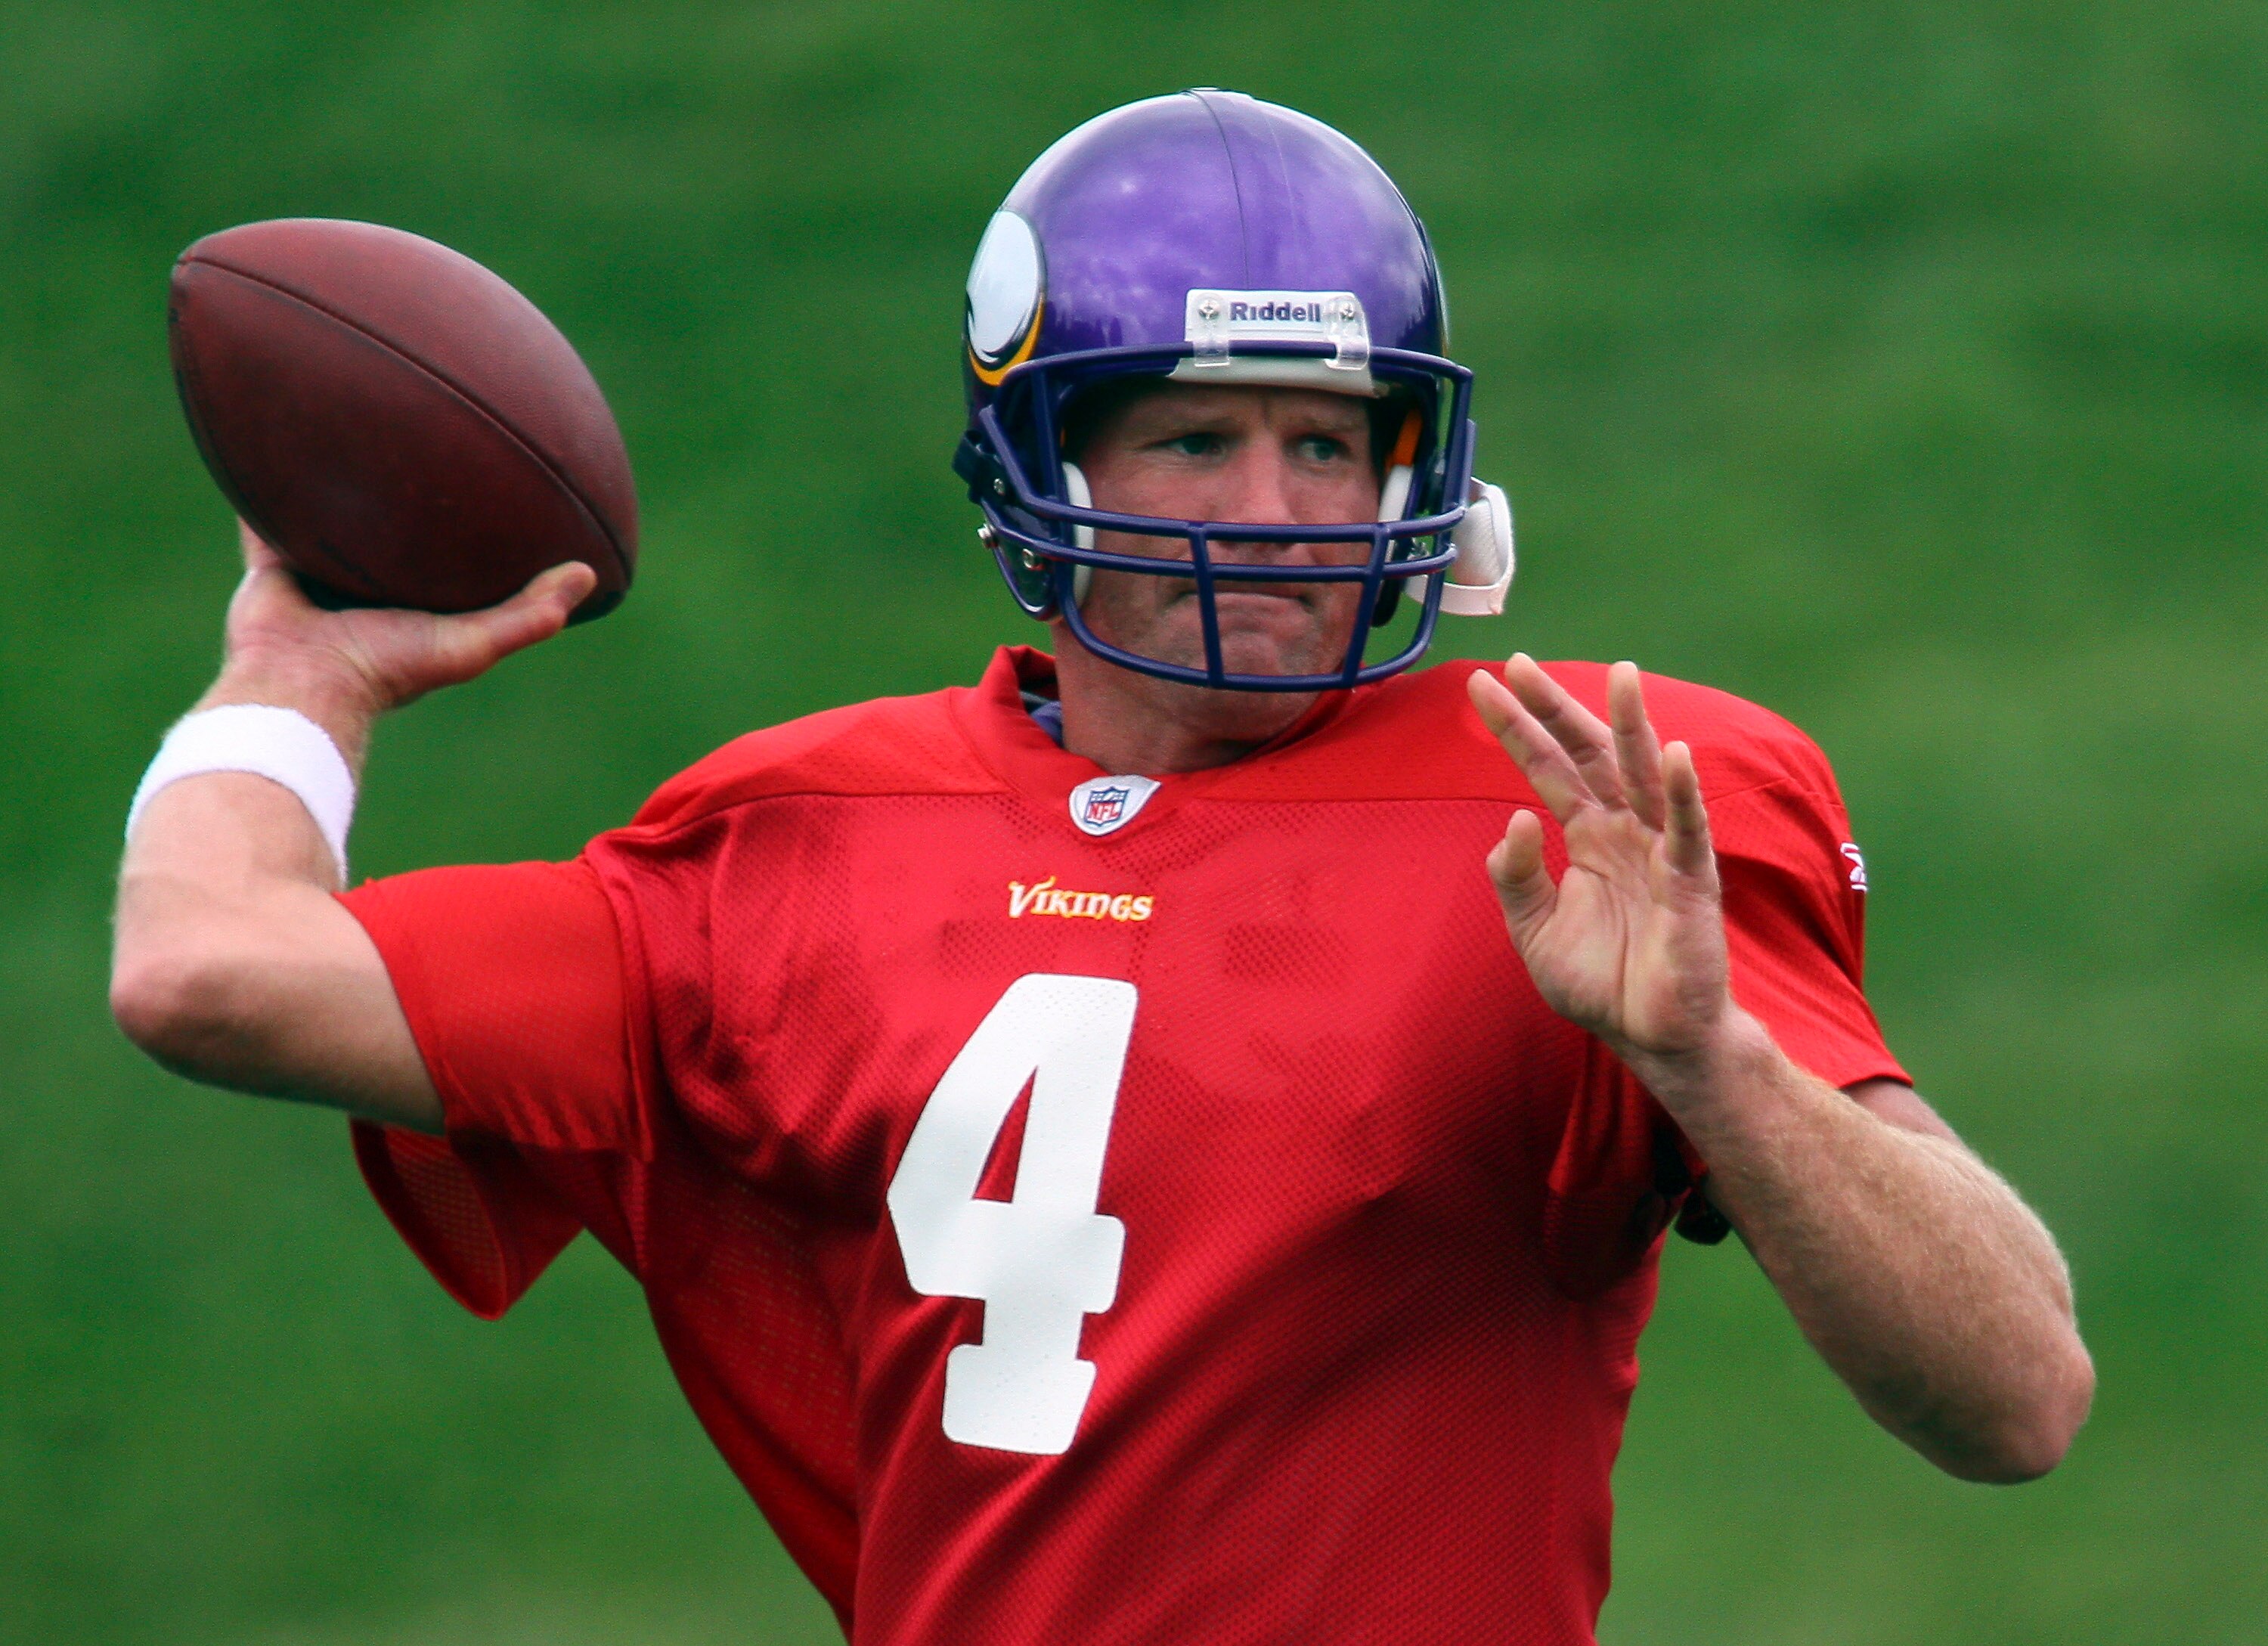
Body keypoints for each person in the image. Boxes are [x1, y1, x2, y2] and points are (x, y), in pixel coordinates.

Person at [111, 91, 2091, 1644]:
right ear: (1037, 468)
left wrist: (1710, 1059)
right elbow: (206, 969)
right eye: (1194, 440)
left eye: (1332, 445)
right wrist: (296, 679)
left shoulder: (1574, 809)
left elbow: (2017, 1394)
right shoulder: (796, 840)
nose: (1275, 512)